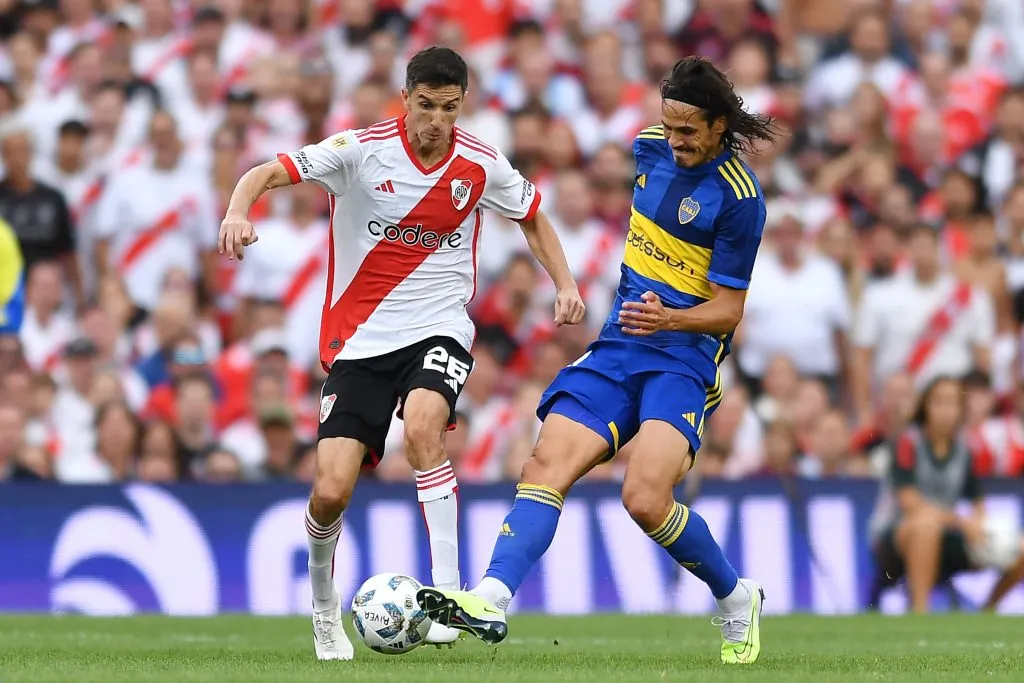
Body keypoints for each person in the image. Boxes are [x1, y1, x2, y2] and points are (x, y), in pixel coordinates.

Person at [217, 46, 585, 661]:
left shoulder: (481, 164)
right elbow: (267, 172)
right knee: (330, 491)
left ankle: (448, 597)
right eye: (425, 105)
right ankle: (323, 606)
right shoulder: (360, 152)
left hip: (439, 326)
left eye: (449, 107)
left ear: (462, 105)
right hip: (358, 340)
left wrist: (567, 284)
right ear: (406, 97)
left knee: (423, 426)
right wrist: (236, 211)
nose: (436, 119)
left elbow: (533, 216)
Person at [416, 56, 776, 665]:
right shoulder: (648, 148)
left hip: (683, 359)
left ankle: (736, 597)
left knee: (644, 497)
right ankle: (492, 597)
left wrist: (672, 318)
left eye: (690, 131)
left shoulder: (741, 199)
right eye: (671, 126)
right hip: (618, 347)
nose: (677, 140)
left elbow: (729, 310)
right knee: (544, 464)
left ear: (719, 126)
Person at [868, 376, 1024, 613]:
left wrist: (983, 528)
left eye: (952, 403)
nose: (945, 411)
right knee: (925, 525)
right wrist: (962, 523)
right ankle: (920, 612)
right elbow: (911, 504)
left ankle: (987, 611)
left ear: (960, 411)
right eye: (938, 402)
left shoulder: (963, 449)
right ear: (925, 407)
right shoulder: (908, 442)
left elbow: (978, 502)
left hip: (944, 534)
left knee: (1020, 547)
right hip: (896, 535)